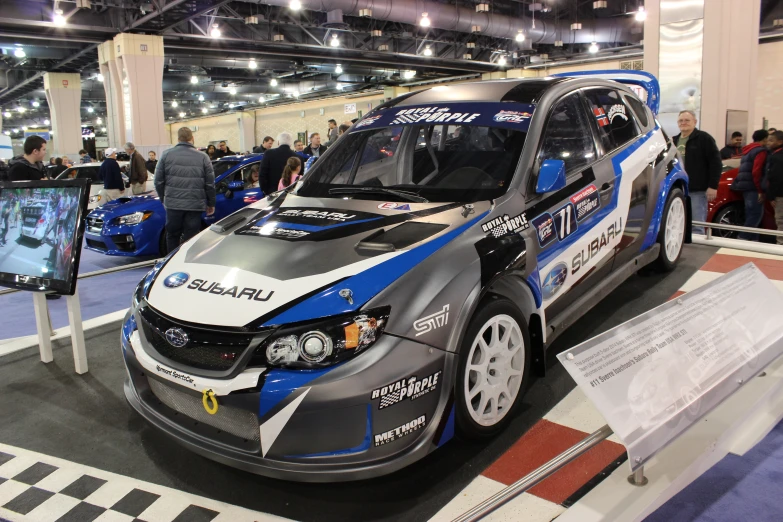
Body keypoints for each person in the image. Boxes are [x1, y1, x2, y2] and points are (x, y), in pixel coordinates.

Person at [155, 127, 215, 252]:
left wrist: (164, 198)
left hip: (173, 205)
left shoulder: (166, 155)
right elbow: (209, 183)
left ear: (178, 139)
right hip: (194, 204)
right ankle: (186, 264)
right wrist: (211, 203)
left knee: (172, 236)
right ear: (192, 139)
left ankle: (171, 263)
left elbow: (158, 181)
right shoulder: (203, 157)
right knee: (191, 237)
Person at [672, 110, 722, 234]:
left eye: (687, 120)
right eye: (681, 120)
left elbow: (715, 163)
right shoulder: (674, 140)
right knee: (679, 222)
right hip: (679, 189)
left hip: (697, 190)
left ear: (695, 122)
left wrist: (713, 186)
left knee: (697, 224)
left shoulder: (704, 139)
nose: (683, 123)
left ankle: (697, 251)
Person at [731, 129, 769, 241]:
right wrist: (760, 190)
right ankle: (743, 238)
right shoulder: (760, 151)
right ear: (765, 139)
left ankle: (753, 241)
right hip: (753, 187)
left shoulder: (747, 150)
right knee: (755, 215)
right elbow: (756, 172)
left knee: (750, 213)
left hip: (745, 186)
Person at [764, 131, 783, 245]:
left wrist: (771, 196)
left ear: (780, 142)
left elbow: (775, 178)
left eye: (771, 140)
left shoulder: (776, 158)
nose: (768, 143)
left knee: (781, 220)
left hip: (780, 194)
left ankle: (780, 245)